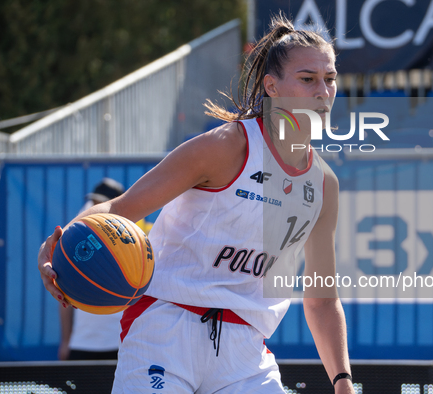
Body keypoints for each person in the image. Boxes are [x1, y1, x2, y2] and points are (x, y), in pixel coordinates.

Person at [39, 14, 354, 393]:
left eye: (330, 79)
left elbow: (321, 300)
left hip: (245, 351)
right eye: (308, 79)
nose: (323, 91)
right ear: (272, 86)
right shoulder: (223, 148)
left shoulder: (323, 184)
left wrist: (343, 382)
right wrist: (60, 241)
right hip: (166, 328)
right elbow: (120, 209)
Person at [58, 178, 125, 360]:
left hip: (120, 344)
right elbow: (63, 296)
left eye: (102, 203)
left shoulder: (133, 246)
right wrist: (66, 340)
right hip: (82, 344)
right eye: (95, 203)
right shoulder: (78, 242)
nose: (97, 207)